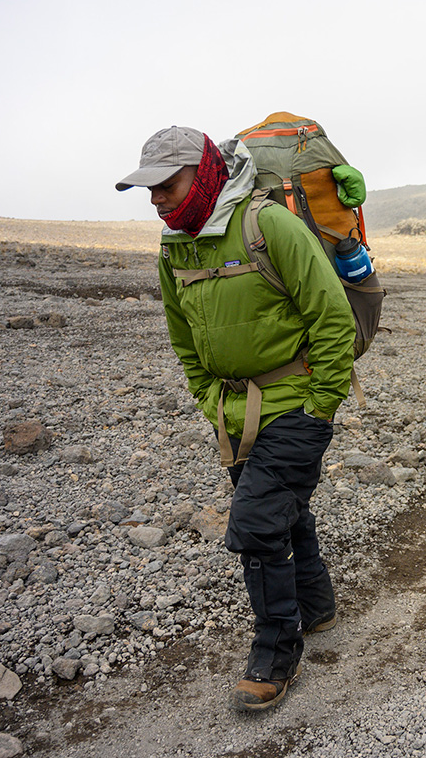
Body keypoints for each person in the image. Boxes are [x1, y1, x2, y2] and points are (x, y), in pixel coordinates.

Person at [116, 127, 356, 712]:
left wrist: (320, 406)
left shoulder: (268, 224)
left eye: (165, 186)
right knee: (282, 513)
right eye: (147, 190)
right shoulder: (176, 249)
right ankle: (317, 606)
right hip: (231, 416)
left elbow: (332, 317)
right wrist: (208, 399)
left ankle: (277, 654)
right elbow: (183, 340)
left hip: (295, 404)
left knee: (252, 525)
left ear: (200, 177)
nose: (155, 201)